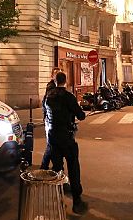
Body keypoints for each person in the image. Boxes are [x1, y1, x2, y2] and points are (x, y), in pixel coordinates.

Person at [45, 72, 88, 214]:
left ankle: (55, 201)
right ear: (65, 81)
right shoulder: (69, 97)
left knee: (57, 168)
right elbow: (81, 115)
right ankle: (77, 202)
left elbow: (46, 114)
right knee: (73, 168)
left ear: (55, 81)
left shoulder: (48, 96)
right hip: (66, 137)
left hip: (52, 136)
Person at [40, 67, 61, 170]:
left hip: (51, 119)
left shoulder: (55, 86)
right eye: (56, 73)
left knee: (52, 144)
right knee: (51, 144)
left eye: (59, 73)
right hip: (50, 120)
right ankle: (52, 166)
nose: (57, 75)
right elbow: (47, 103)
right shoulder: (51, 87)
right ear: (52, 76)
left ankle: (47, 165)